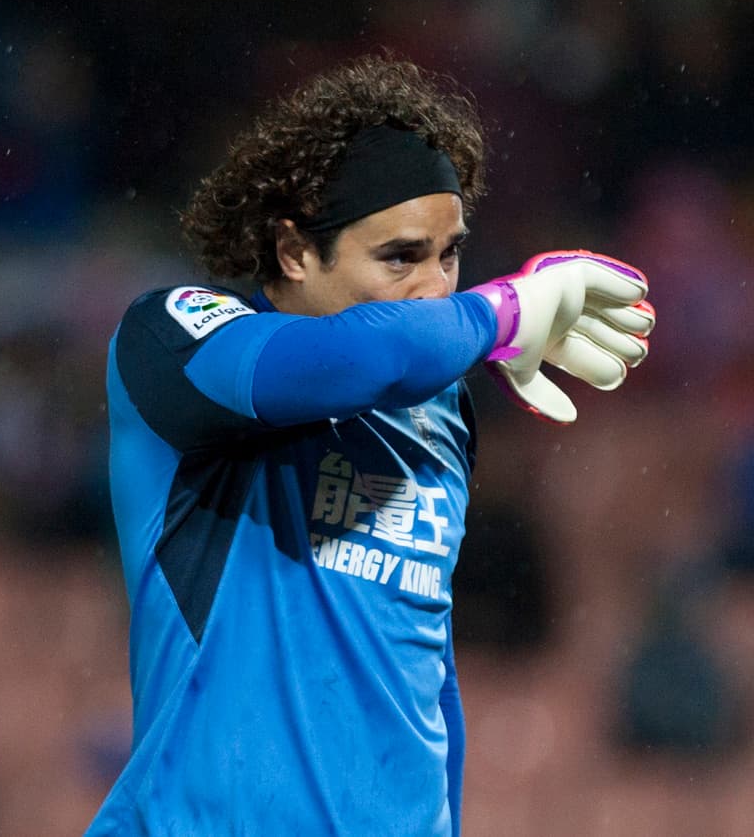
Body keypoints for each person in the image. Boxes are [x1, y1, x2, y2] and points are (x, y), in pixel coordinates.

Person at [88, 55, 655, 836]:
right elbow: (361, 356)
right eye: (401, 257)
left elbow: (421, 666)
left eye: (451, 254)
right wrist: (504, 313)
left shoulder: (442, 407)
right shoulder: (179, 341)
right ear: (294, 252)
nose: (435, 287)